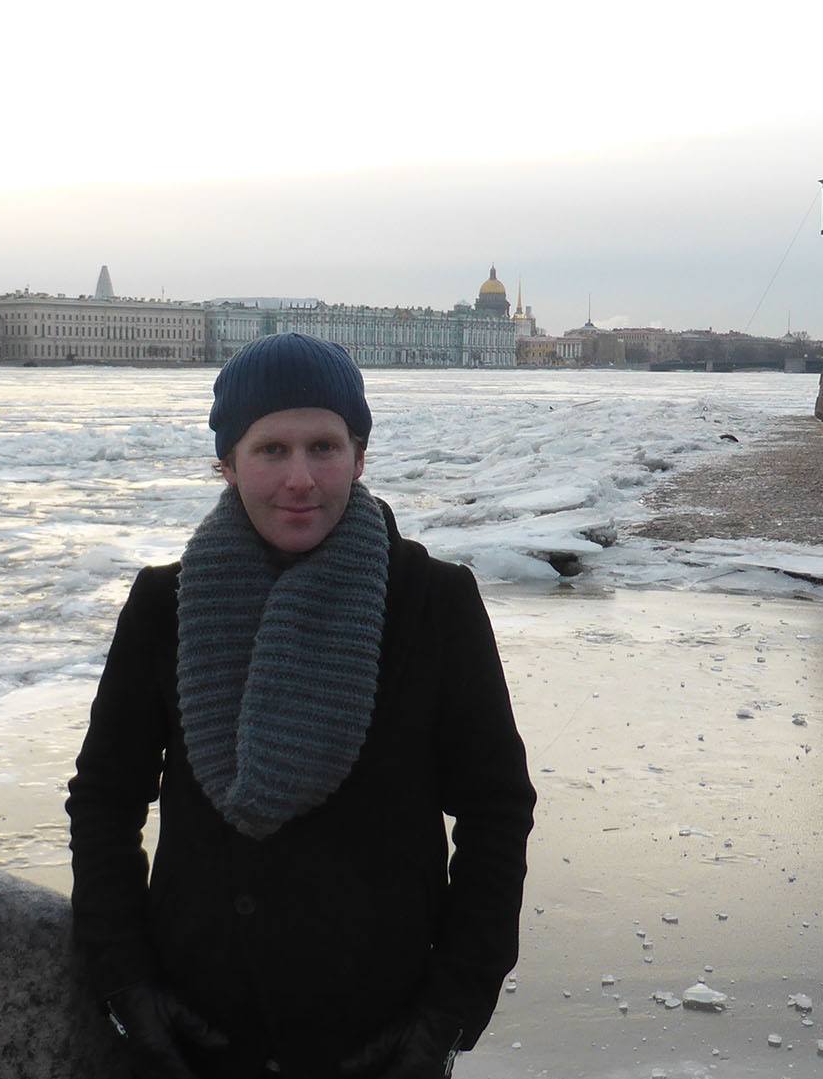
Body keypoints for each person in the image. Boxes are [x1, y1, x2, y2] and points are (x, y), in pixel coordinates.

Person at [67, 333, 537, 1079]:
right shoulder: (165, 605)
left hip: (377, 1041)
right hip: (196, 1038)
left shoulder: (431, 602)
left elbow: (495, 812)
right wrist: (127, 983)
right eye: (271, 449)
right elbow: (104, 800)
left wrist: (446, 1014)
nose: (301, 479)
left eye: (324, 446)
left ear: (359, 454)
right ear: (227, 462)